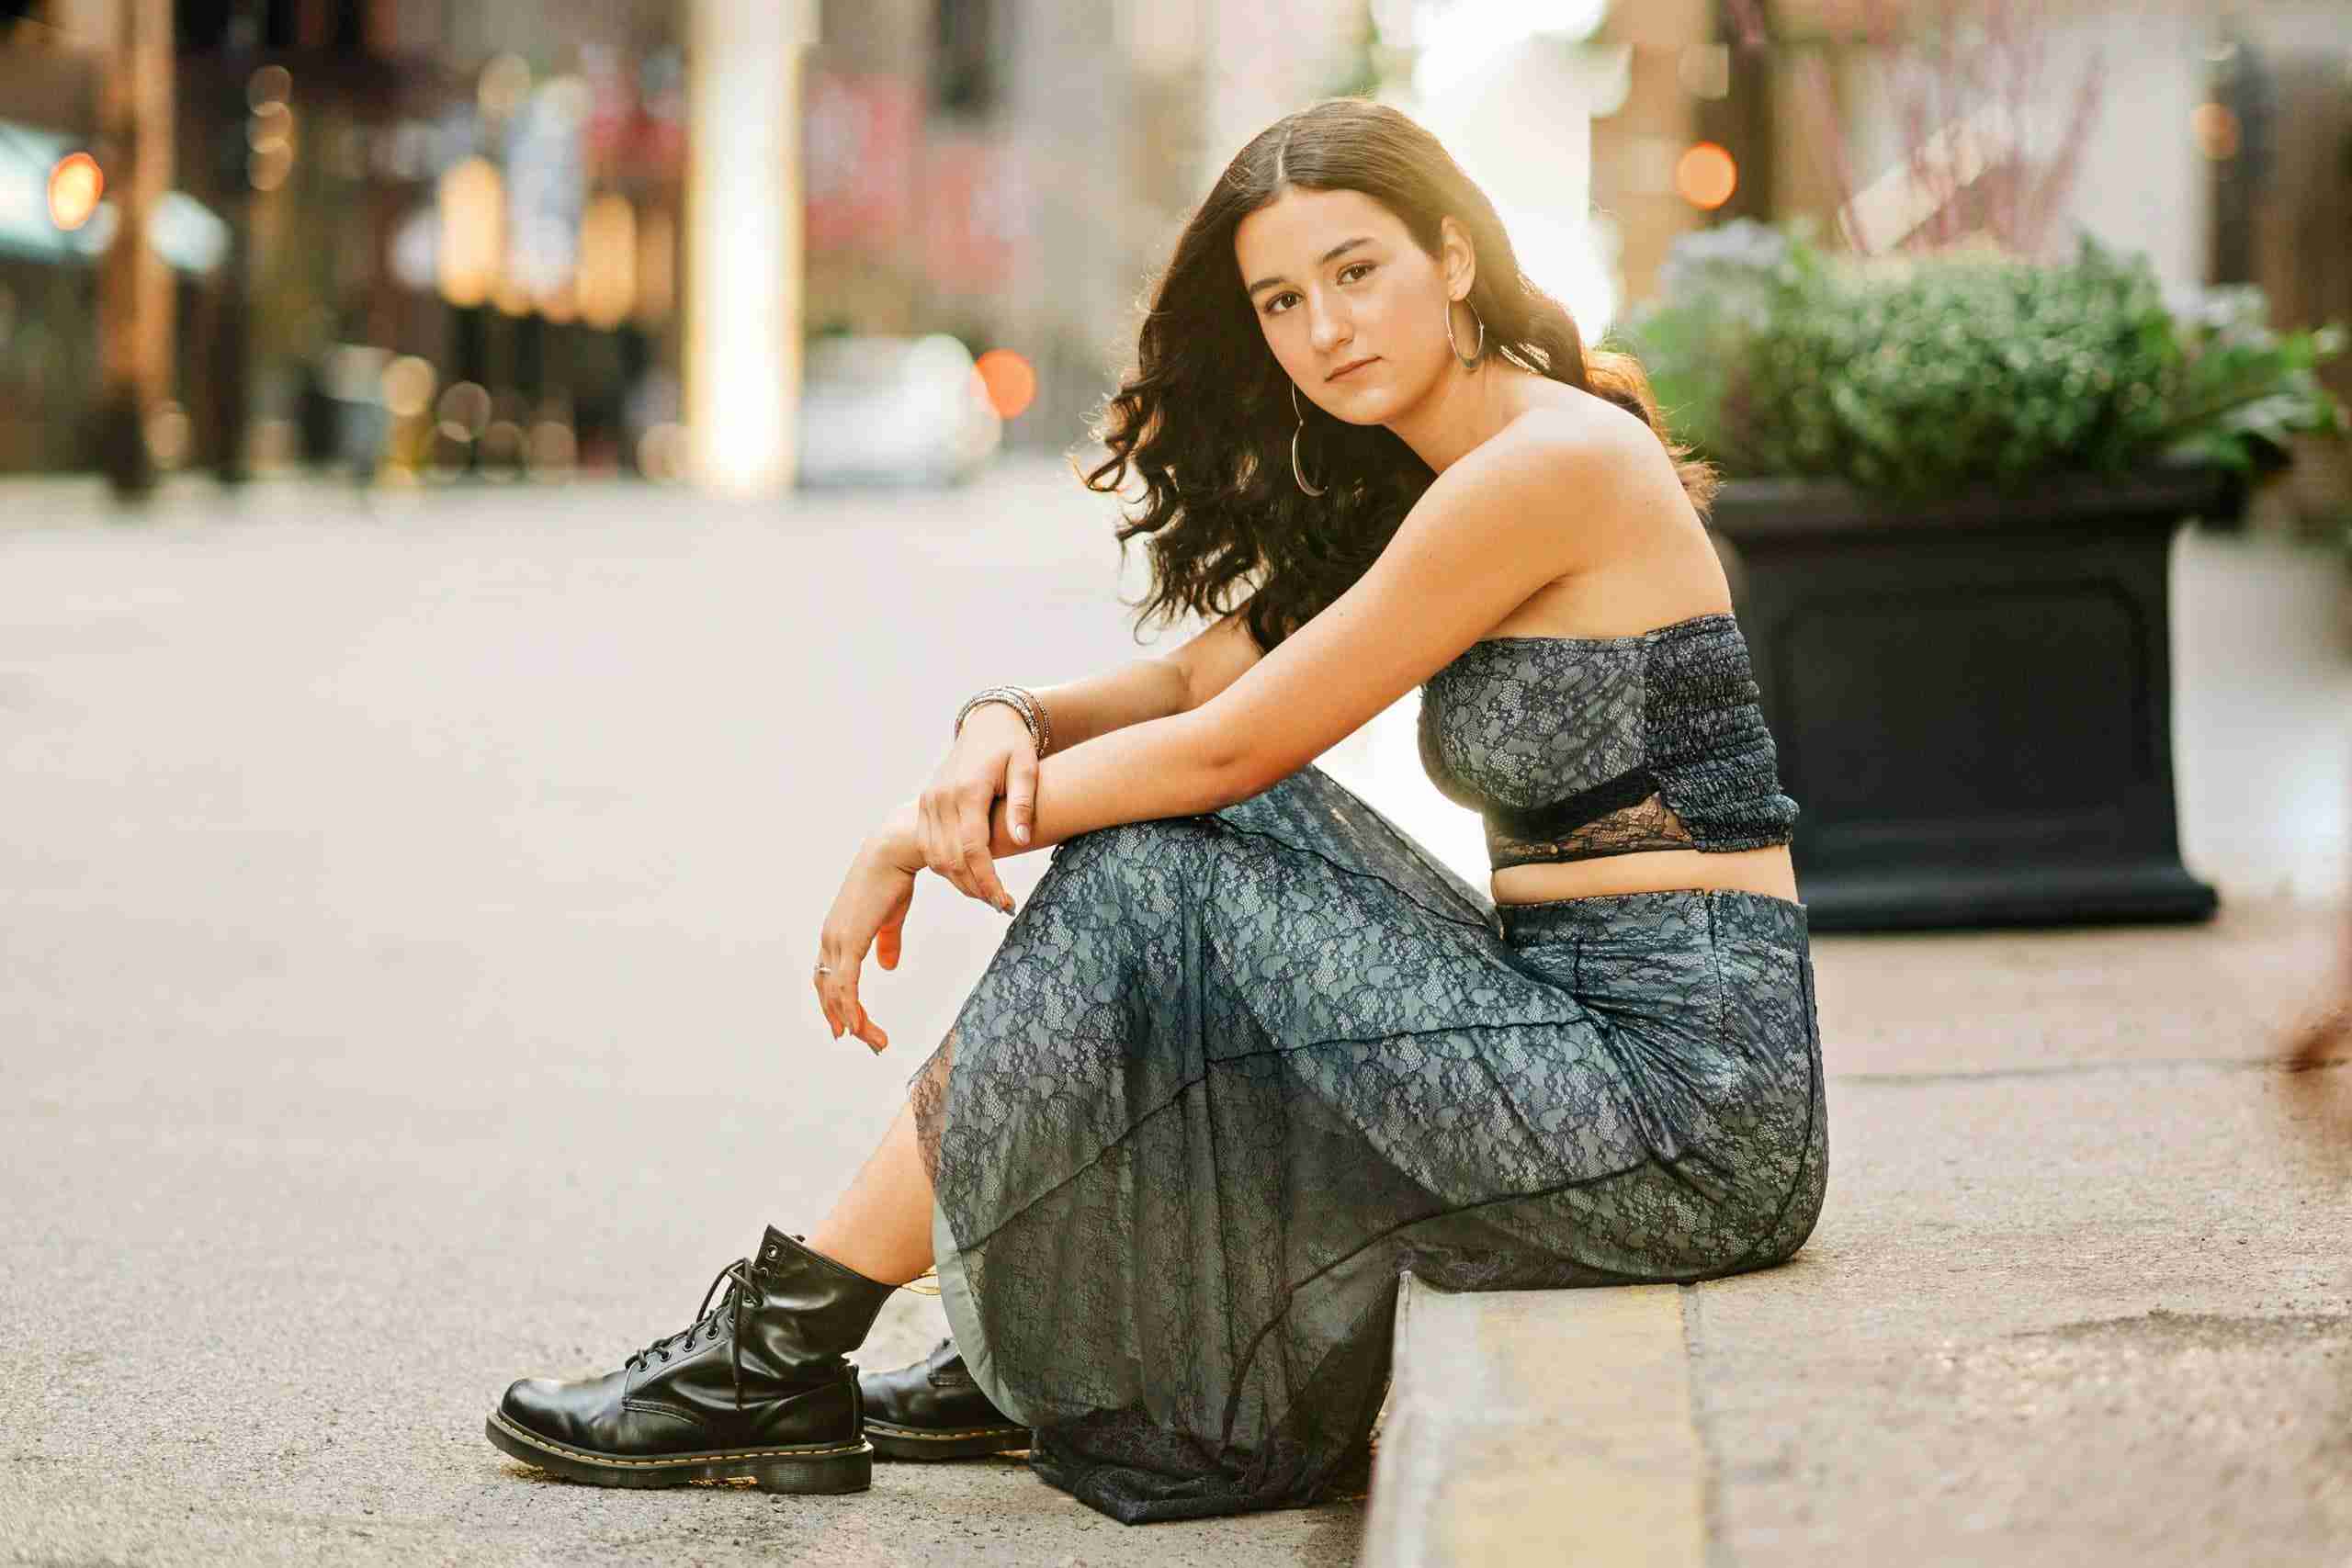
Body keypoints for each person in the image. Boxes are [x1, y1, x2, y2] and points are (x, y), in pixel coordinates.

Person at [482, 96, 1828, 1525]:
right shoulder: (1438, 472)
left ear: (1452, 255)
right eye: (1282, 301)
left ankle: (782, 1341)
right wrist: (1007, 722)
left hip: (1688, 1109)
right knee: (1190, 845)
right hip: (1574, 1023)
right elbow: (1194, 680)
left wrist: (921, 839)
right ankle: (997, 1325)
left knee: (1157, 859)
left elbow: (1217, 754)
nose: (1325, 330)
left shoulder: (1546, 469)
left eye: (1357, 272)